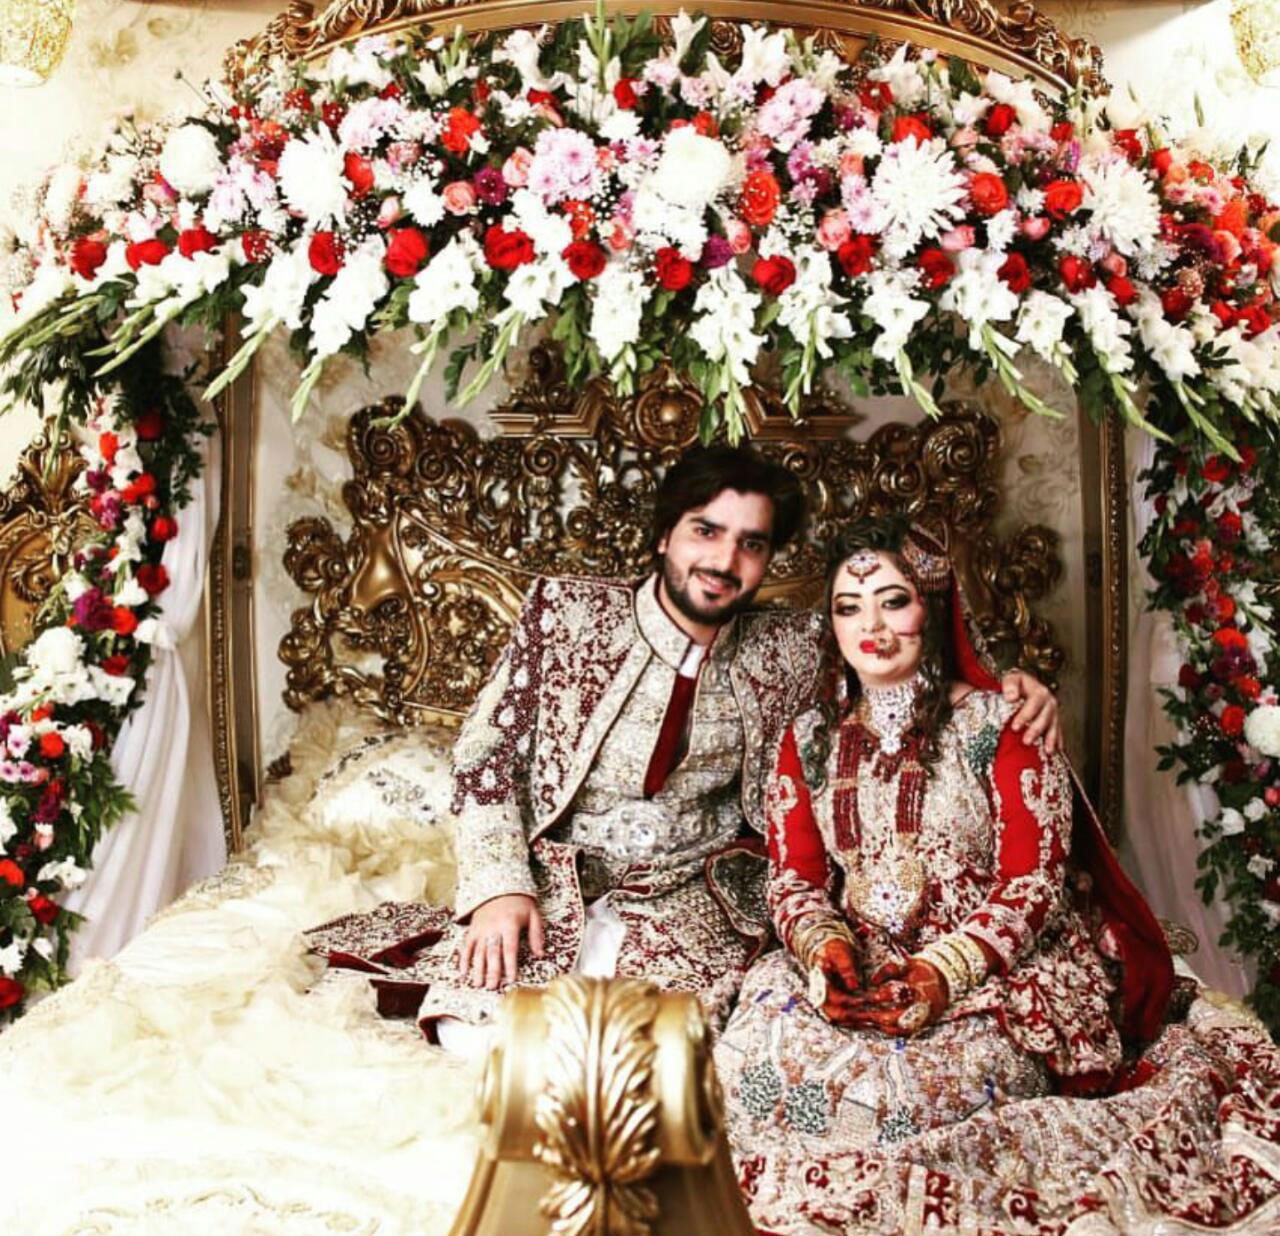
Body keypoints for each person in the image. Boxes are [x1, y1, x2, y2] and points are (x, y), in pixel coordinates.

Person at [308, 448, 1061, 1043]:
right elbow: (484, 757)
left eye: (750, 544)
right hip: (553, 879)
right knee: (477, 1037)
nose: (724, 561)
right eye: (706, 531)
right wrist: (500, 888)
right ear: (665, 534)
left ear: (768, 562)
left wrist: (1013, 683)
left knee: (654, 1052)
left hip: (698, 894)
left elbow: (909, 640)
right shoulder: (566, 613)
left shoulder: (797, 643)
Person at [712, 518, 1174, 1233]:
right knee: (742, 1062)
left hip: (991, 974)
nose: (872, 626)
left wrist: (940, 972)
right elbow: (794, 878)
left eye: (894, 601)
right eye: (848, 607)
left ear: (932, 607)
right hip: (863, 962)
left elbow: (1034, 884)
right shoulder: (807, 739)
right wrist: (825, 949)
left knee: (900, 1102)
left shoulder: (1003, 724)